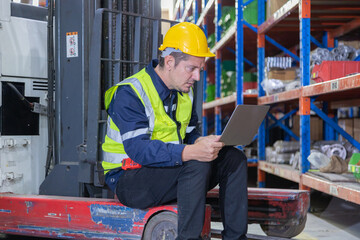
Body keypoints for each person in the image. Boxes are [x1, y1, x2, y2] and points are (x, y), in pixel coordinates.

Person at [102, 22, 248, 240]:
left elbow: (188, 135)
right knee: (196, 163)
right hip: (129, 178)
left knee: (234, 158)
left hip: (167, 169)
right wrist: (191, 152)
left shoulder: (183, 93)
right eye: (192, 68)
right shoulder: (130, 93)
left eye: (200, 69)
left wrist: (202, 141)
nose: (197, 77)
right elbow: (138, 149)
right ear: (169, 62)